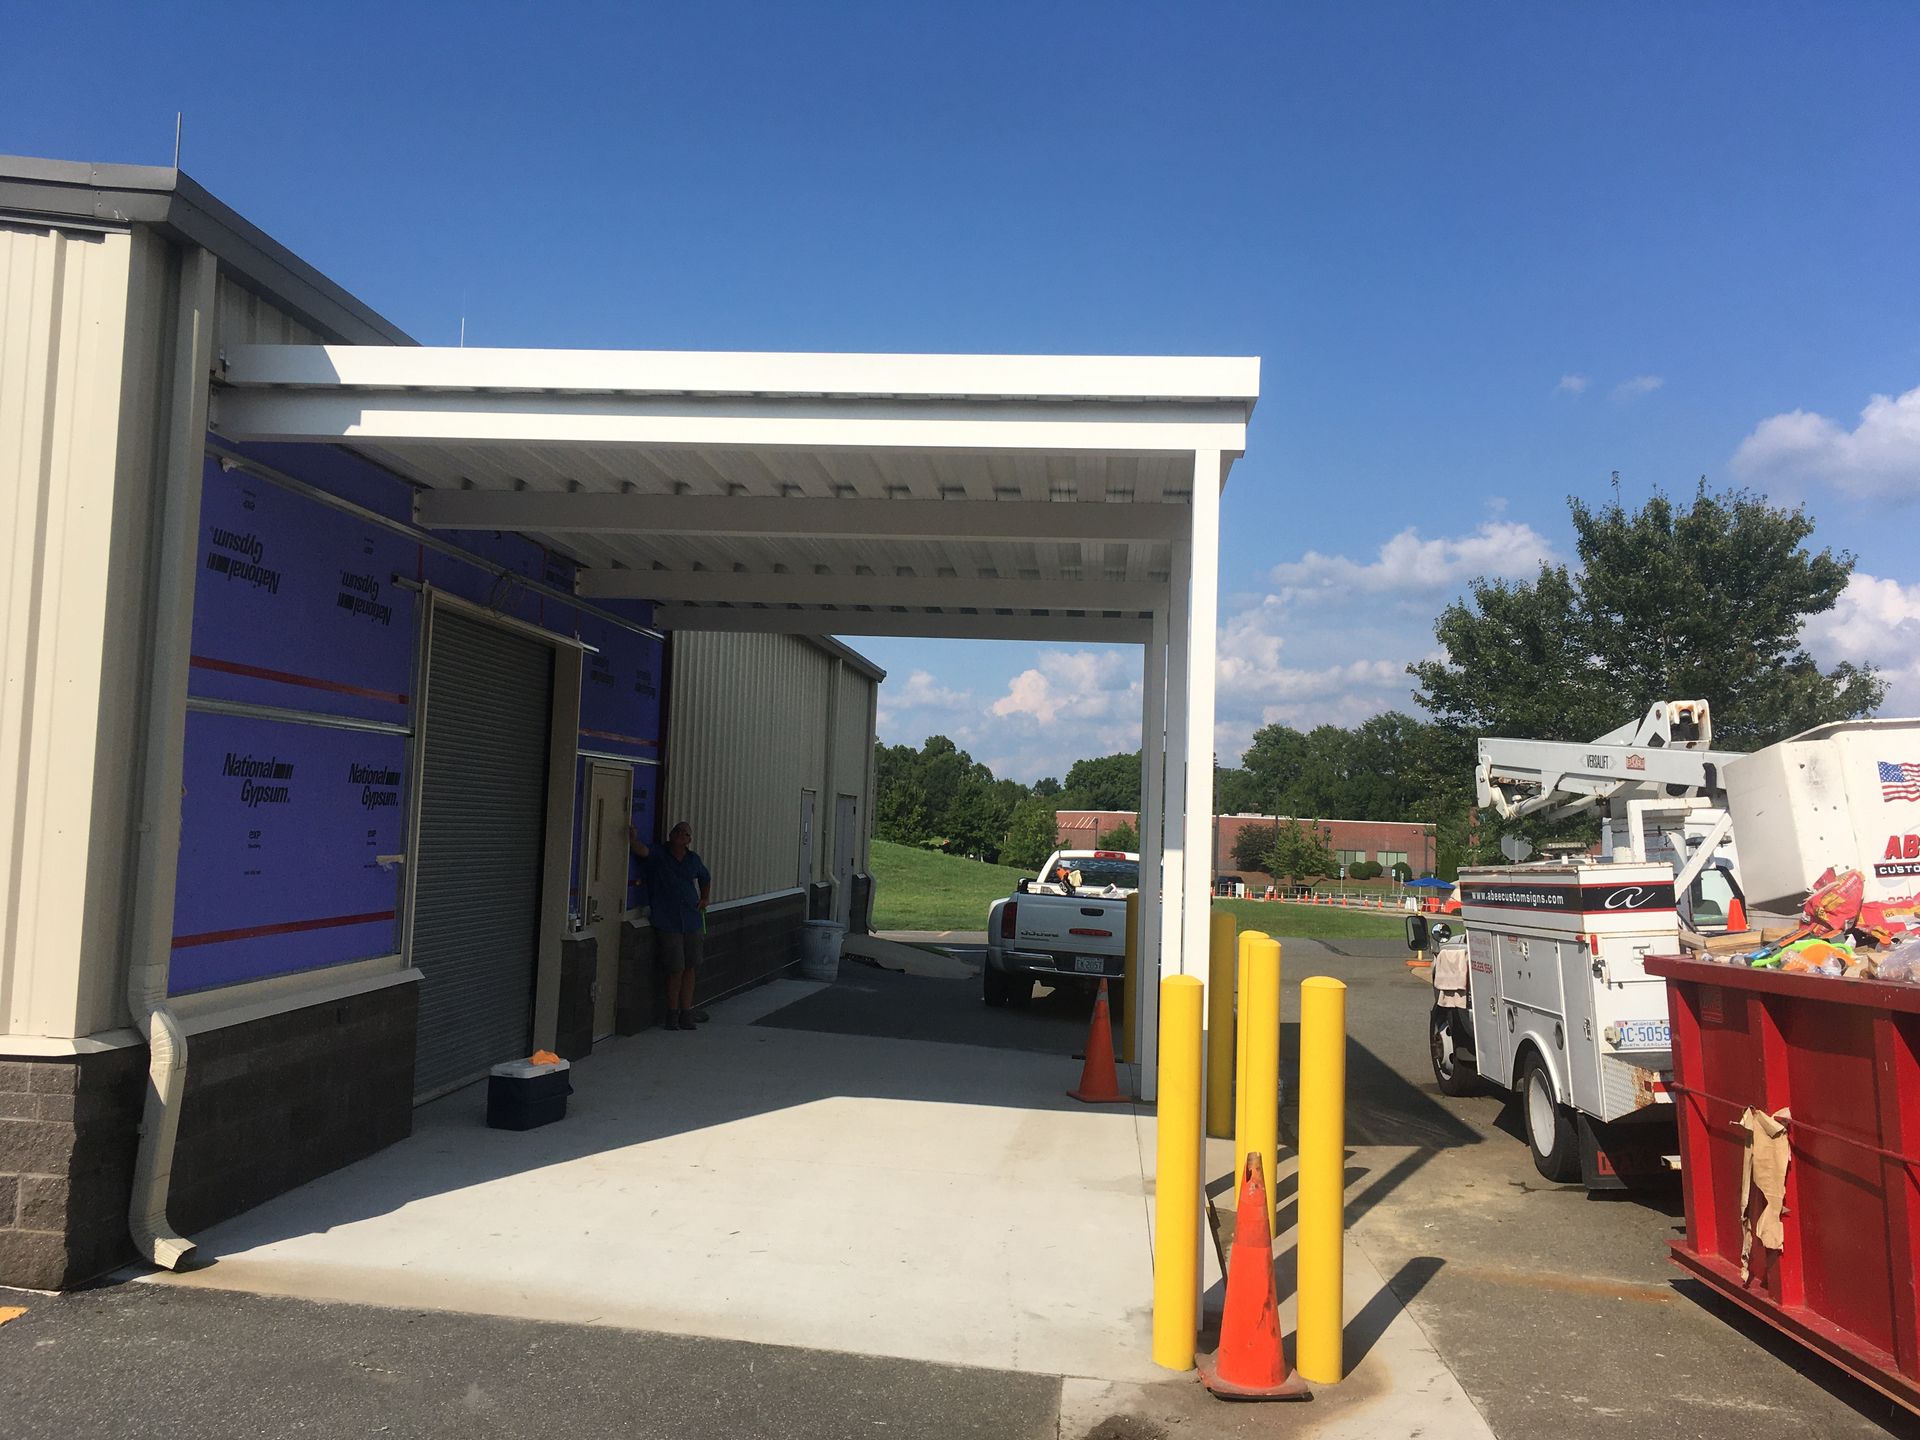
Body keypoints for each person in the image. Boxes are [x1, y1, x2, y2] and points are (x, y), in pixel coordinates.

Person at [629, 819, 712, 1031]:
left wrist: (704, 898)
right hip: (668, 920)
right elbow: (642, 850)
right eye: (676, 830)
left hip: (691, 918)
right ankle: (672, 1013)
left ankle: (687, 1012)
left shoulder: (693, 859)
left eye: (684, 832)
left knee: (691, 966)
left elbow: (705, 877)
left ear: (688, 840)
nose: (679, 834)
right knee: (676, 967)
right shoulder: (660, 854)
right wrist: (631, 838)